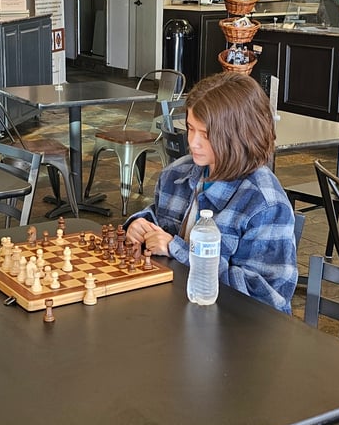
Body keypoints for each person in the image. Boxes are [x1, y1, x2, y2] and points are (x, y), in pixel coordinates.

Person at [124, 71, 298, 313]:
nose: (192, 142)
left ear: (238, 136)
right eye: (190, 128)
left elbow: (267, 298)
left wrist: (179, 251)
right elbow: (160, 220)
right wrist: (140, 225)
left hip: (239, 331)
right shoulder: (176, 173)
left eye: (205, 135)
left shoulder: (265, 203)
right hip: (175, 309)